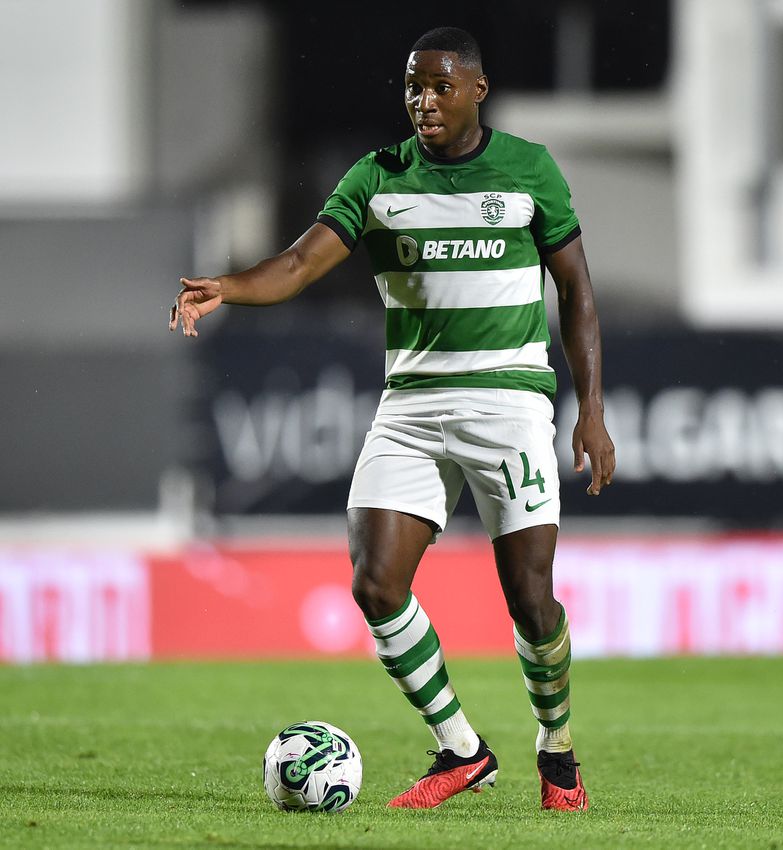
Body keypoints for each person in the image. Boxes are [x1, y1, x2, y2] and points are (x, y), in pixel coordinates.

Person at [170, 26, 615, 812]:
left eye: (441, 86)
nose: (425, 101)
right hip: (410, 406)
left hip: (508, 403)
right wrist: (227, 287)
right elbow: (299, 263)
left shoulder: (529, 170)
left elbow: (576, 289)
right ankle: (462, 749)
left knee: (531, 600)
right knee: (375, 584)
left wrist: (592, 410)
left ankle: (557, 747)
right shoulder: (378, 177)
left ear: (477, 90)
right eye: (414, 86)